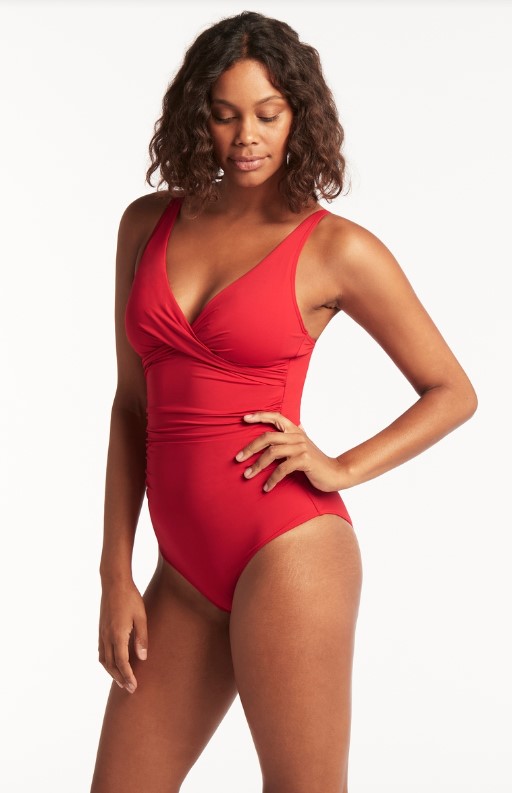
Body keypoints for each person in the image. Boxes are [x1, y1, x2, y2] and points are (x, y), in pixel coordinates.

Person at [90, 10, 478, 793]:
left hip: (289, 547)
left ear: (299, 114)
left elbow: (452, 391)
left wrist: (340, 466)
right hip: (180, 573)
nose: (247, 137)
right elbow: (132, 406)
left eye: (268, 114)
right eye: (225, 114)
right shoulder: (146, 224)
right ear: (197, 116)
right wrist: (114, 572)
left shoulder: (336, 247)